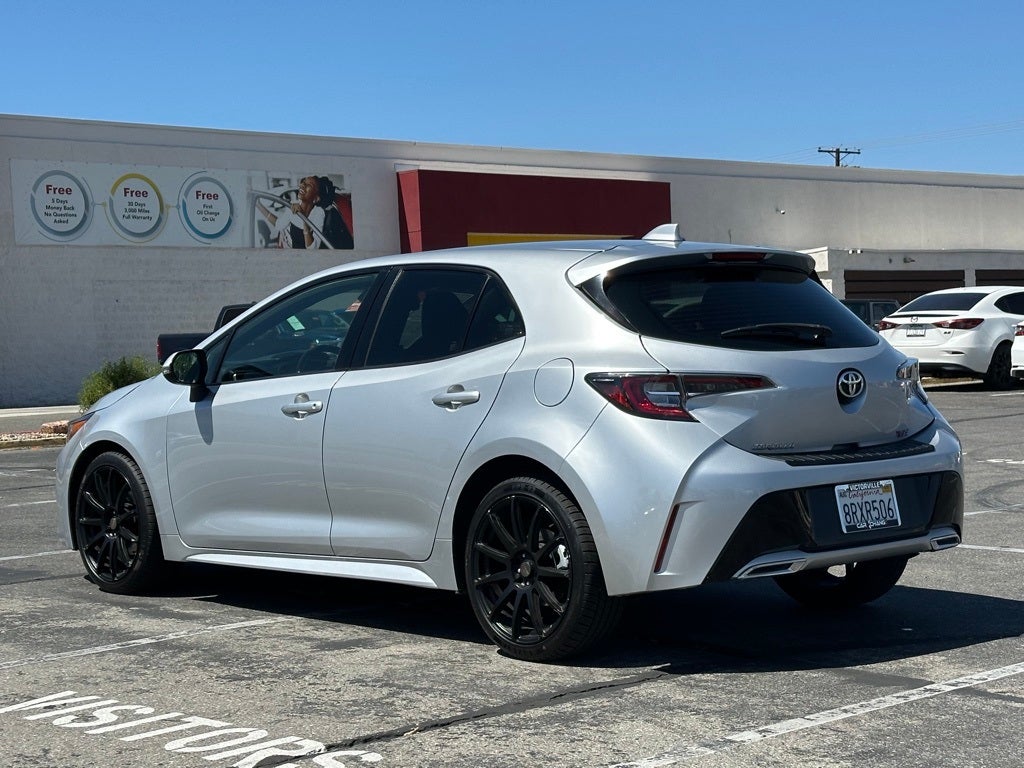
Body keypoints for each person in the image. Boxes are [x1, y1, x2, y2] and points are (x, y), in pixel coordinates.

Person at [255, 175, 325, 249]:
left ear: (316, 198)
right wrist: (259, 205)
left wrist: (303, 218)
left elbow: (312, 248)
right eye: (304, 182)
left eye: (309, 185)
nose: (303, 184)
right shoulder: (292, 205)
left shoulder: (319, 213)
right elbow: (279, 225)